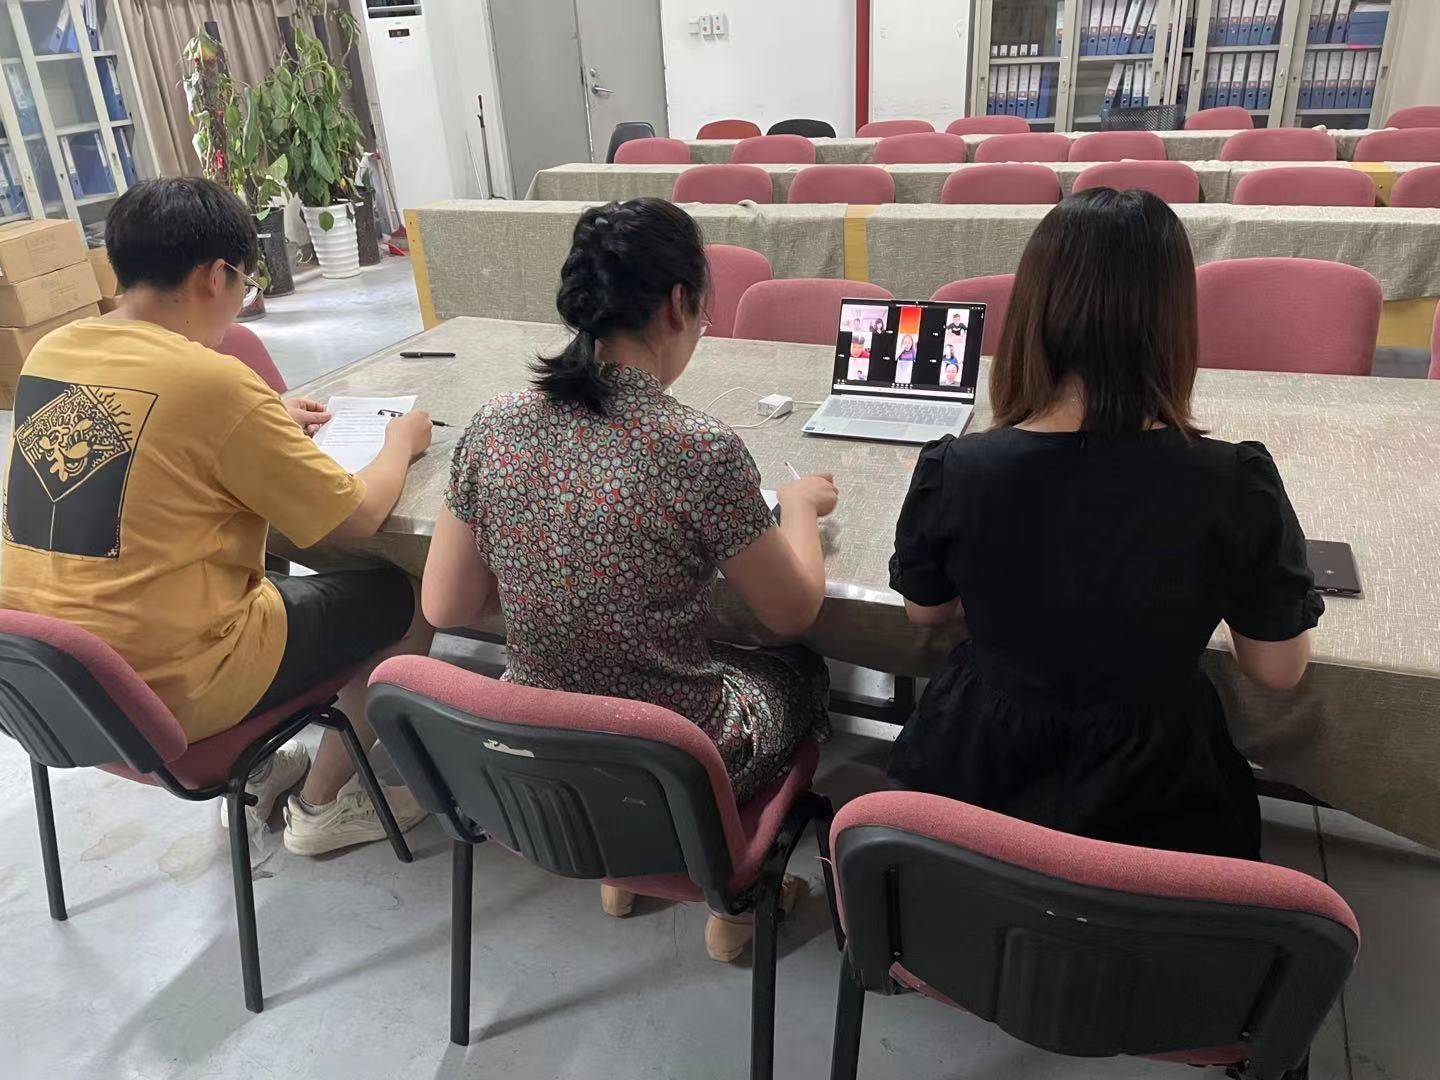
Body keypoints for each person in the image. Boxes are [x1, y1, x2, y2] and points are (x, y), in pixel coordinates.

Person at [422, 197, 836, 961]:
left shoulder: (496, 423)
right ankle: (733, 900)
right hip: (672, 761)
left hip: (539, 744)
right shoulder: (698, 448)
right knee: (802, 672)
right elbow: (791, 611)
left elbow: (446, 603)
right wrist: (802, 508)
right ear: (680, 303)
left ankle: (621, 869)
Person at [0, 178, 436, 856]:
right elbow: (355, 516)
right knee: (407, 595)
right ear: (215, 275)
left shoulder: (53, 352)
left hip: (46, 676)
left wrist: (259, 420)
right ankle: (324, 805)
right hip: (170, 684)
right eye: (244, 283)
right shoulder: (213, 381)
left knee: (260, 571)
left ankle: (260, 772)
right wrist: (401, 441)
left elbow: (141, 439)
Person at [887, 189, 1322, 860]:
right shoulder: (1234, 482)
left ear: (1034, 311)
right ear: (1174, 321)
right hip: (1161, 798)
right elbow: (1277, 668)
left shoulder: (957, 468)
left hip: (975, 781)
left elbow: (926, 611)